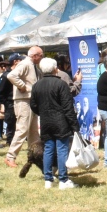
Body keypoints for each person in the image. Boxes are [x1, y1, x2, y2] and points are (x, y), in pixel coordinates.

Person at [31, 57, 80, 189]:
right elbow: (67, 107)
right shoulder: (60, 84)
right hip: (61, 121)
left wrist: (43, 113)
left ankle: (48, 179)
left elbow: (33, 105)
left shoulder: (36, 85)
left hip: (46, 120)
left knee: (48, 149)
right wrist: (74, 125)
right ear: (55, 69)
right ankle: (63, 180)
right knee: (62, 149)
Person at [5, 46, 43, 168]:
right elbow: (11, 75)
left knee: (33, 131)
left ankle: (35, 155)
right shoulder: (25, 64)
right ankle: (10, 157)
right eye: (41, 55)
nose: (42, 58)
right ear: (35, 55)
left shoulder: (33, 66)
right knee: (22, 129)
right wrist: (23, 86)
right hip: (23, 100)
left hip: (31, 100)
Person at [0, 53, 23, 149]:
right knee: (11, 123)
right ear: (15, 62)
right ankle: (10, 140)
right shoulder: (6, 75)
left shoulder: (18, 74)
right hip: (10, 102)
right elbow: (0, 91)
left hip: (18, 102)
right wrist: (6, 103)